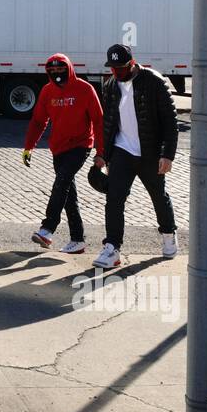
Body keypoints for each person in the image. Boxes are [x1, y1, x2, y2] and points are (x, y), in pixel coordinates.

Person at [92, 43, 179, 268]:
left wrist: (167, 155)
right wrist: (104, 156)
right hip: (122, 151)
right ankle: (112, 248)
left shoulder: (154, 82)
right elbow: (109, 124)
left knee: (158, 195)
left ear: (132, 63)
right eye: (113, 69)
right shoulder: (111, 85)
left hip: (150, 152)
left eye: (121, 68)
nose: (117, 73)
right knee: (114, 198)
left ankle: (168, 234)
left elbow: (170, 122)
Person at [21, 53, 104, 254]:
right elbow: (39, 121)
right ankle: (78, 240)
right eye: (53, 71)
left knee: (61, 183)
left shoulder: (85, 89)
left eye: (61, 70)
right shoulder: (47, 91)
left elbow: (99, 121)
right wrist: (29, 146)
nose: (57, 74)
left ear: (69, 69)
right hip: (58, 148)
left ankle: (47, 229)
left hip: (81, 145)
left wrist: (101, 152)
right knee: (68, 195)